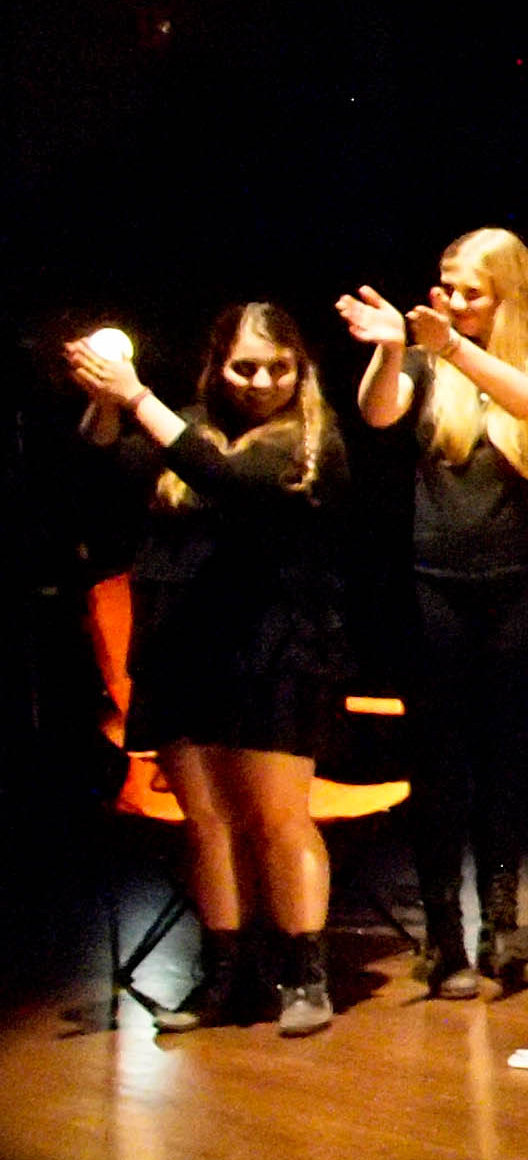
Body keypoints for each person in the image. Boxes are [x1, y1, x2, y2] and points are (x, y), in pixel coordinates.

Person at [68, 308, 351, 1035]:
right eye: (244, 367)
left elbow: (227, 480)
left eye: (279, 367)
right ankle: (225, 977)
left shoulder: (311, 442)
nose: (262, 382)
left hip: (275, 648)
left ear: (301, 368)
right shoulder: (184, 425)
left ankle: (303, 977)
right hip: (183, 648)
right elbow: (105, 480)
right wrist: (105, 404)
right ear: (216, 367)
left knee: (279, 818)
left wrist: (136, 397)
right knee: (208, 823)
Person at [335, 229, 528, 996]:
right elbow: (378, 414)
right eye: (446, 286)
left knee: (505, 763)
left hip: (520, 585)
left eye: (471, 290)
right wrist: (393, 349)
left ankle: (500, 931)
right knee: (439, 762)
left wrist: (451, 347)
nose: (452, 301)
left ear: (508, 293)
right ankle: (443, 938)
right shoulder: (428, 361)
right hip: (433, 586)